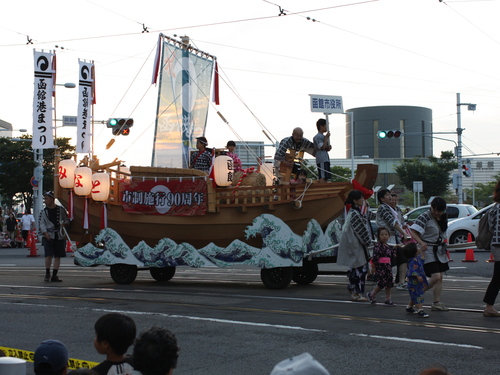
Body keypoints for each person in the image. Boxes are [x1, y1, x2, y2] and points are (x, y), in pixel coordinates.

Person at [410, 196, 450, 311]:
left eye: (440, 211)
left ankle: (436, 302)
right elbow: (414, 232)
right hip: (427, 250)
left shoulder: (443, 217)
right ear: (431, 207)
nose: (437, 213)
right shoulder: (424, 216)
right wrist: (421, 243)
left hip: (439, 250)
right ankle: (417, 294)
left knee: (440, 277)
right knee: (435, 277)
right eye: (435, 210)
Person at [338, 190, 375, 302]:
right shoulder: (355, 213)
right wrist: (369, 243)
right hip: (356, 246)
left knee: (356, 269)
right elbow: (362, 231)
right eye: (361, 198)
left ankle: (353, 289)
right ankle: (356, 293)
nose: (363, 200)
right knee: (360, 270)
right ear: (355, 200)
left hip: (355, 245)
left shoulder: (354, 212)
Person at [39, 191, 70, 282]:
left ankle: (54, 275)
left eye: (47, 199)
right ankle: (47, 273)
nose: (45, 201)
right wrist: (45, 233)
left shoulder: (60, 210)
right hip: (48, 235)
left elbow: (66, 219)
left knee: (58, 255)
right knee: (48, 255)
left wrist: (64, 224)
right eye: (45, 199)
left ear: (52, 199)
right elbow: (42, 223)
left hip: (59, 235)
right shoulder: (44, 211)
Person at [366, 227, 398, 306]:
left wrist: (396, 248)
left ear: (389, 236)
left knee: (389, 283)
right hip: (381, 267)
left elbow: (393, 255)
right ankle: (372, 294)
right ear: (378, 236)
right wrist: (374, 267)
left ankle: (388, 298)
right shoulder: (378, 246)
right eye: (382, 235)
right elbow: (375, 257)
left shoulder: (387, 246)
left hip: (388, 266)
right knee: (381, 283)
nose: (384, 236)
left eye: (386, 235)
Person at [483, 180, 500, 317]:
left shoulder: (494, 207)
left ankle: (489, 306)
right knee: (498, 277)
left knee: (498, 276)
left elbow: (491, 228)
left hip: (496, 245)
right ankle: (488, 307)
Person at [404, 242, 429, 318]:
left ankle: (409, 307)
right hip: (414, 282)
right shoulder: (412, 261)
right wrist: (418, 276)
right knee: (418, 295)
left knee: (415, 295)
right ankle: (420, 310)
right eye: (417, 247)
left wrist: (423, 252)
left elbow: (422, 260)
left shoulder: (416, 258)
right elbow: (412, 271)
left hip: (417, 282)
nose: (418, 248)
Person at [390, 192, 409, 290]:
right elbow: (394, 224)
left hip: (399, 237)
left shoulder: (397, 209)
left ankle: (400, 280)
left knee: (402, 258)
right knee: (389, 260)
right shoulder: (386, 210)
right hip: (390, 239)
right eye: (392, 200)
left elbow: (400, 222)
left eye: (395, 200)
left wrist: (404, 227)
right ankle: (382, 280)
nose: (394, 202)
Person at [313, 118, 331, 183]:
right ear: (321, 126)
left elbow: (325, 148)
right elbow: (322, 147)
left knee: (326, 176)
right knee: (322, 176)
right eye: (326, 125)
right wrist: (326, 138)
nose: (327, 128)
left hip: (325, 158)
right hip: (321, 159)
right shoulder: (317, 137)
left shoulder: (322, 136)